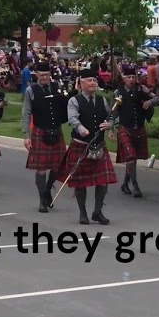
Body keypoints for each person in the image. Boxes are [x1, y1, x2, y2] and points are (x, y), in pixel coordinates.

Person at [59, 68, 117, 225]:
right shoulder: (74, 101)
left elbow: (111, 116)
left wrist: (109, 124)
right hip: (81, 145)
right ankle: (82, 213)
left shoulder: (101, 100)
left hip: (99, 144)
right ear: (81, 83)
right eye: (89, 80)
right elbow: (72, 118)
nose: (93, 83)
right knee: (80, 182)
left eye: (94, 80)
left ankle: (97, 212)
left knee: (103, 181)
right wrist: (80, 128)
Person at [21, 61, 68, 212]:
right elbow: (26, 113)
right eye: (41, 75)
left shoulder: (57, 87)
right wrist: (26, 135)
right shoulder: (31, 90)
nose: (44, 77)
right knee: (41, 169)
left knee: (57, 166)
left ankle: (47, 188)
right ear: (36, 75)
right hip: (40, 132)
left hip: (56, 131)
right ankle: (42, 200)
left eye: (47, 75)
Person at [113, 68, 159, 197]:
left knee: (133, 158)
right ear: (124, 78)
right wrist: (110, 129)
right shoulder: (118, 93)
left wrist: (149, 102)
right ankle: (135, 185)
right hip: (125, 128)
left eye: (133, 77)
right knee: (131, 157)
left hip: (139, 128)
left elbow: (157, 99)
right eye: (128, 77)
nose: (131, 80)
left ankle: (125, 184)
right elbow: (113, 113)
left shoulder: (141, 89)